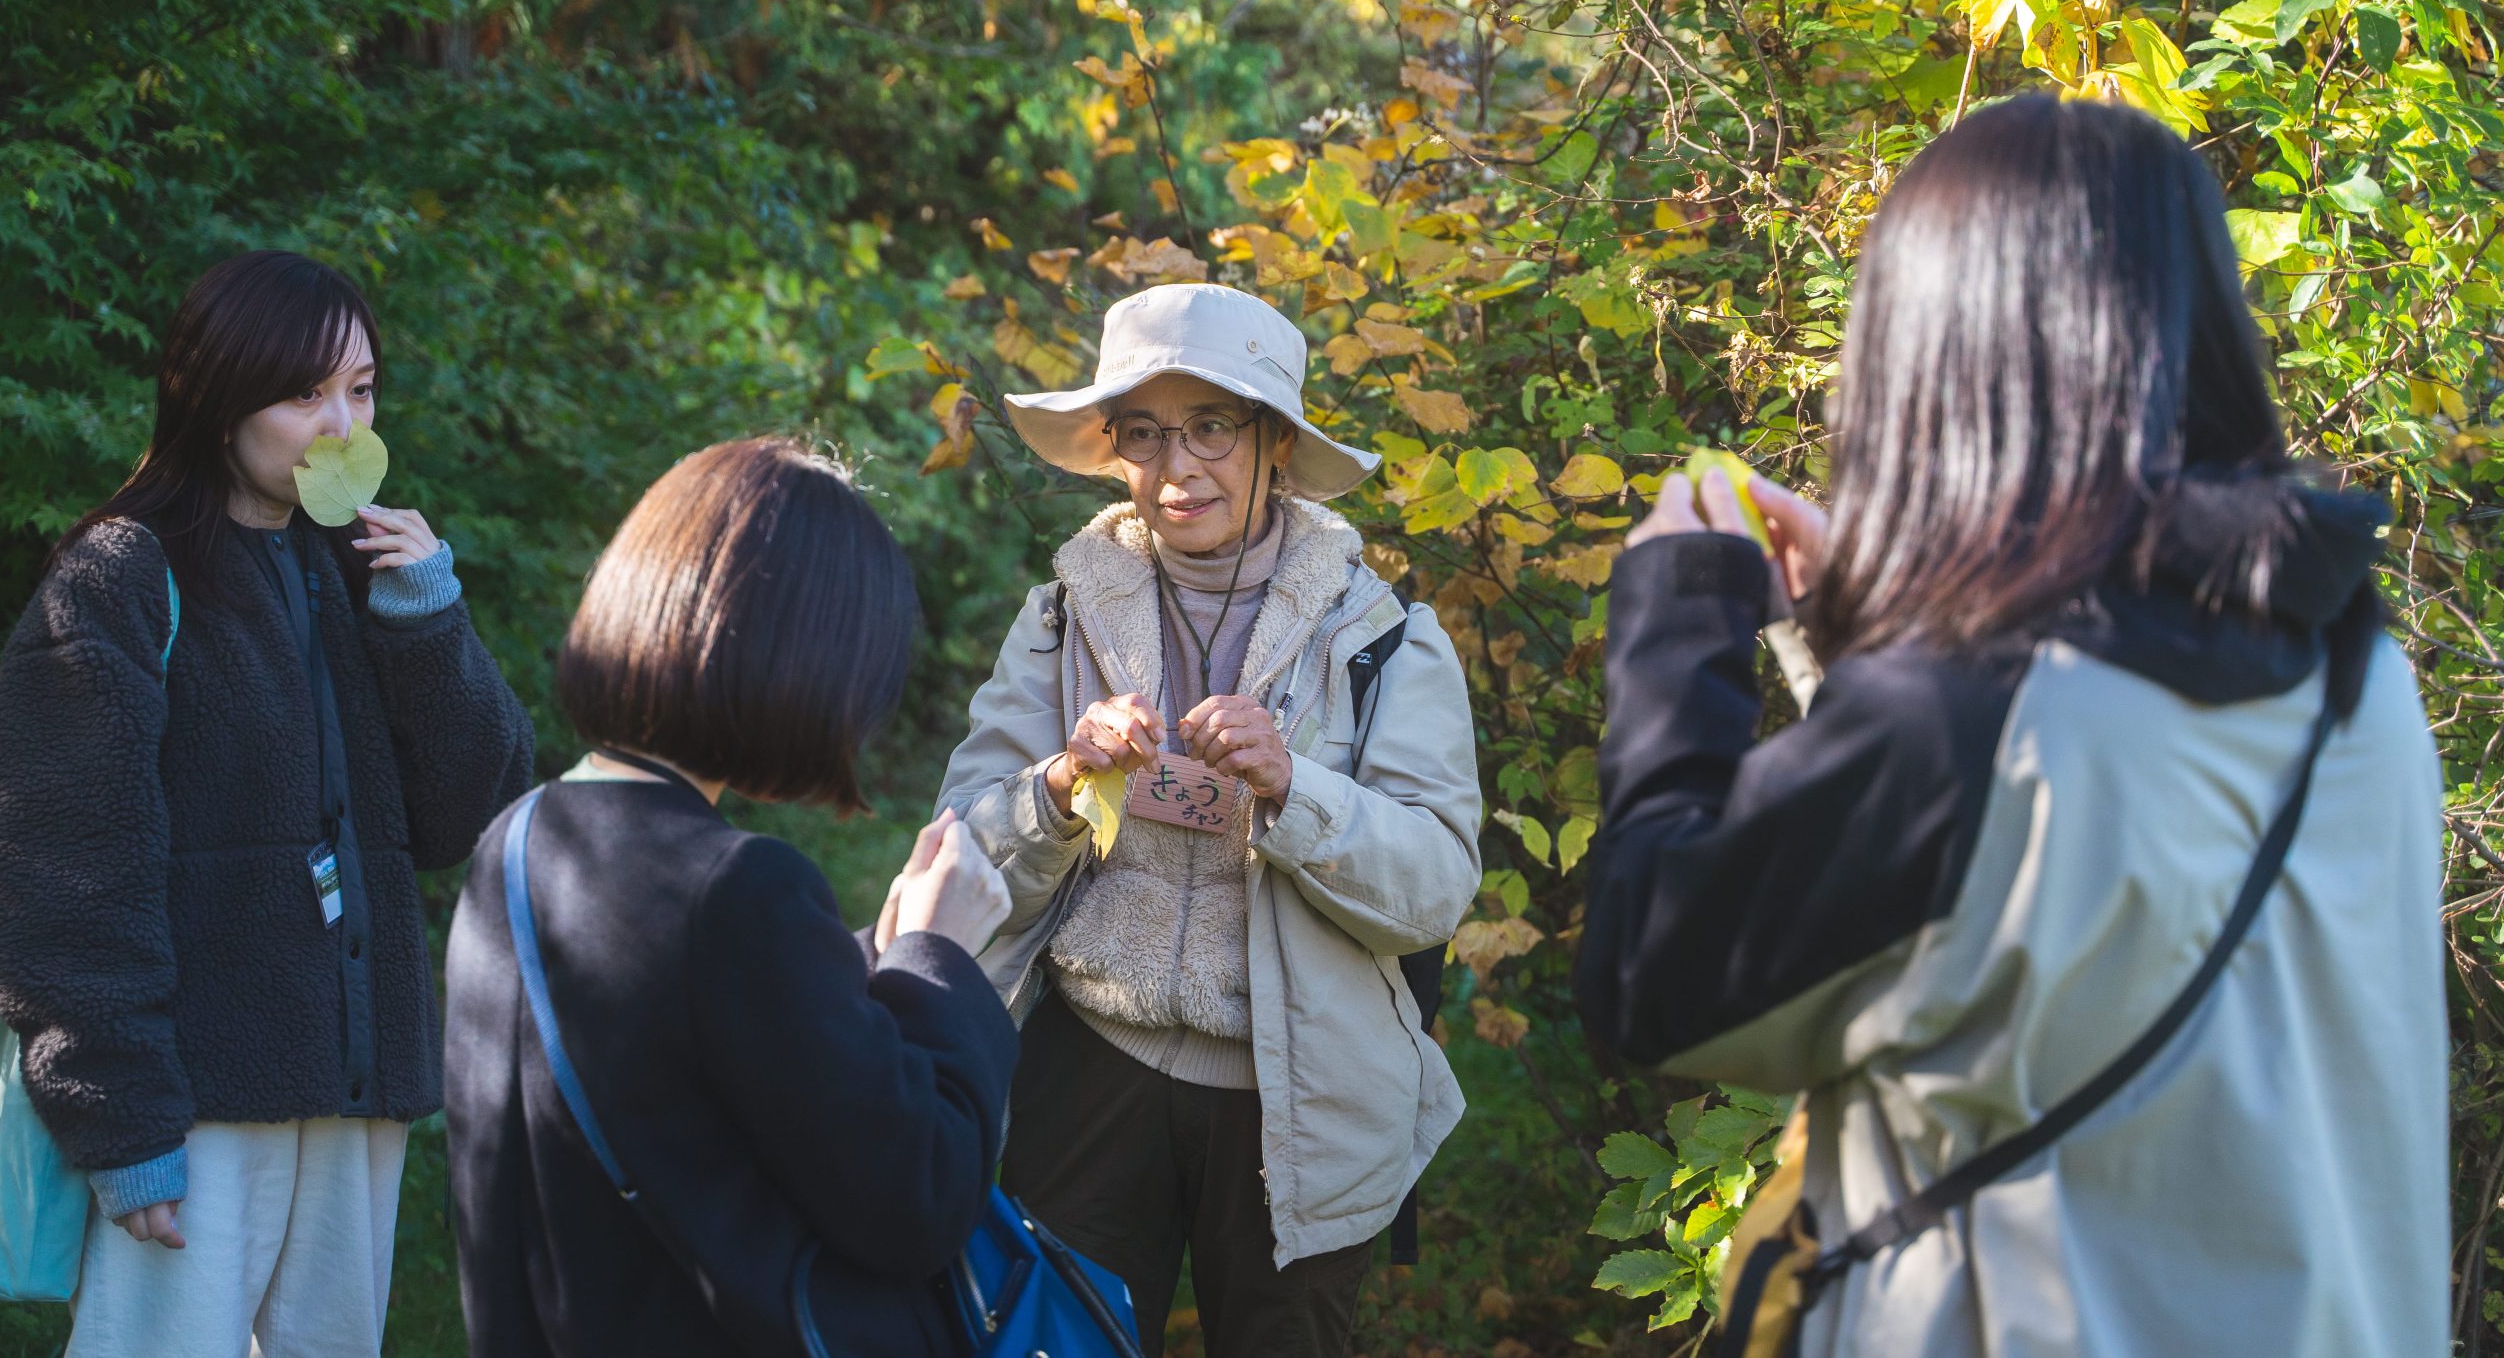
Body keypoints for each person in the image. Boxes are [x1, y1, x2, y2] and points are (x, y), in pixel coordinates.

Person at [1575, 95, 2446, 1356]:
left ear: (1925, 352)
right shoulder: (2357, 679)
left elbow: (1653, 986)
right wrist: (1861, 656)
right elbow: (2024, 909)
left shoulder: (1969, 721)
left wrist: (1678, 617)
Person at [0, 249, 535, 1356]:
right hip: (192, 1113)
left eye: (361, 389)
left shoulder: (361, 565)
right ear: (219, 399)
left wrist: (429, 615)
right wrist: (121, 1118)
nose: (342, 425)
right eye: (304, 391)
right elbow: (54, 871)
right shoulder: (122, 575)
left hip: (353, 1098)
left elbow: (475, 811)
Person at [937, 282, 1483, 1356]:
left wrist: (1294, 789)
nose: (1175, 467)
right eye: (1141, 432)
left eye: (1211, 428)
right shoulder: (1059, 618)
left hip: (1304, 1096)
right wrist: (1057, 785)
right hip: (1091, 1065)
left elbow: (1433, 888)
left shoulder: (1383, 640)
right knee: (1055, 1339)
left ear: (1275, 439)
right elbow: (958, 845)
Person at [444, 437, 1018, 1356]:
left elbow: (699, 1065)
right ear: (797, 654)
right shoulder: (739, 887)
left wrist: (877, 952)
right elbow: (918, 1199)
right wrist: (940, 960)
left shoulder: (517, 842)